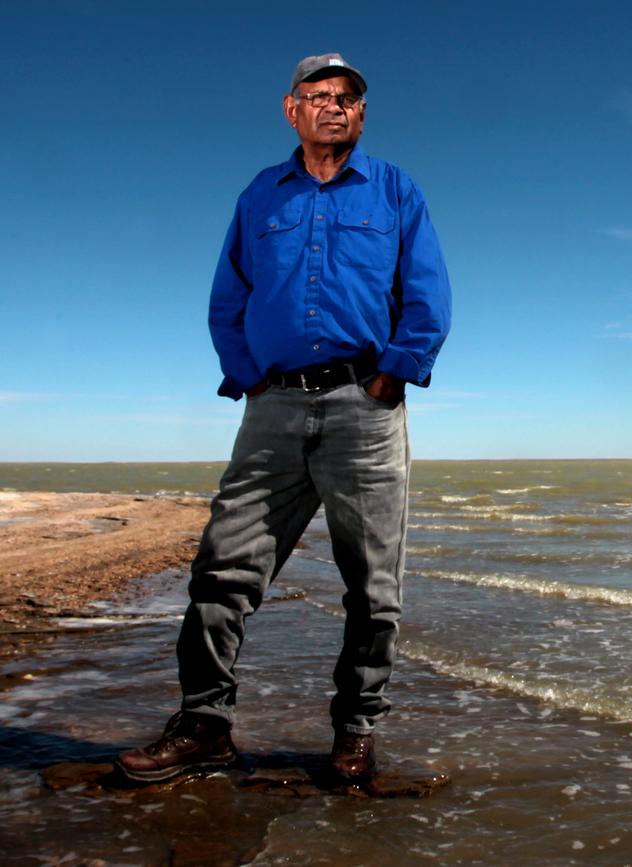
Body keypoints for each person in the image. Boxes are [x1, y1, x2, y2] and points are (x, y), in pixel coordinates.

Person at [116, 52, 451, 783]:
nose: (334, 105)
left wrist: (392, 376)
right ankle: (204, 724)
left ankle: (356, 733)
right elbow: (226, 298)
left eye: (348, 98)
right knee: (222, 568)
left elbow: (427, 294)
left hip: (365, 406)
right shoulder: (261, 196)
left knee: (374, 586)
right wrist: (249, 380)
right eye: (318, 95)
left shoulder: (395, 190)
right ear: (290, 108)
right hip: (271, 408)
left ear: (361, 114)